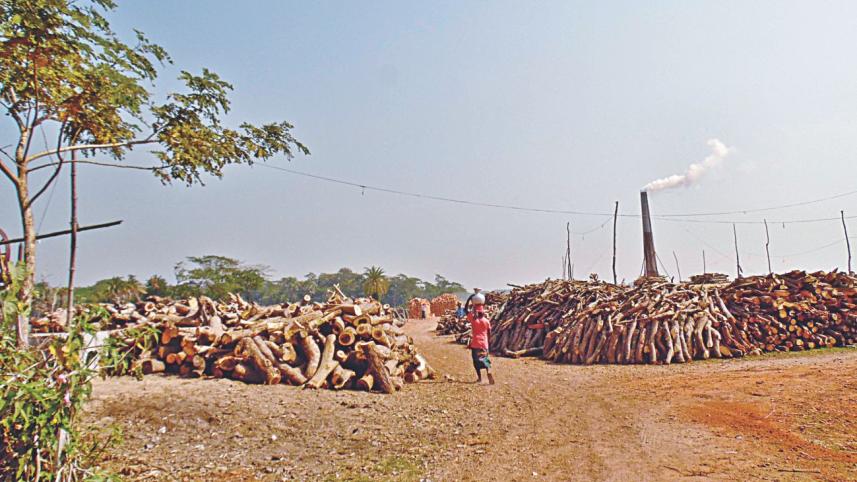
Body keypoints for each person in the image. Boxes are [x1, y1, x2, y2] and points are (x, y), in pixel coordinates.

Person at [468, 305, 494, 384]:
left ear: (477, 313)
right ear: (483, 313)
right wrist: (488, 341)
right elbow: (489, 332)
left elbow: (466, 310)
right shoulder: (486, 321)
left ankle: (480, 378)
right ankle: (488, 370)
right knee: (485, 359)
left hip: (475, 344)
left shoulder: (473, 320)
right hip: (484, 344)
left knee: (476, 361)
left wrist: (470, 299)